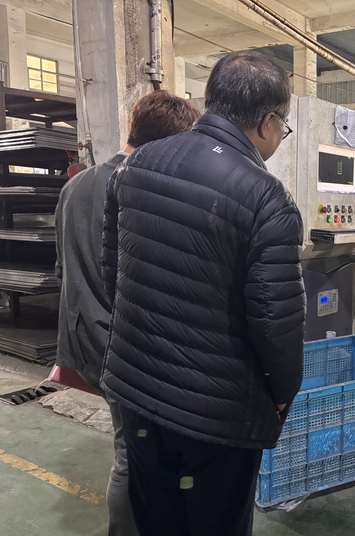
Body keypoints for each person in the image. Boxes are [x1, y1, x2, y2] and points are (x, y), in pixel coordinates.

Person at [100, 51, 306, 536]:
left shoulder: (136, 165)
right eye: (284, 128)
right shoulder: (267, 198)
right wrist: (283, 393)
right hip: (218, 415)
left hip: (138, 391)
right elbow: (275, 322)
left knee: (155, 520)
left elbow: (115, 274)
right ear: (268, 123)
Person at [55, 90, 200, 536]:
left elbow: (63, 267)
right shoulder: (143, 189)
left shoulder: (75, 185)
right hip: (125, 347)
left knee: (132, 446)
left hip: (85, 336)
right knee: (133, 456)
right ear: (170, 144)